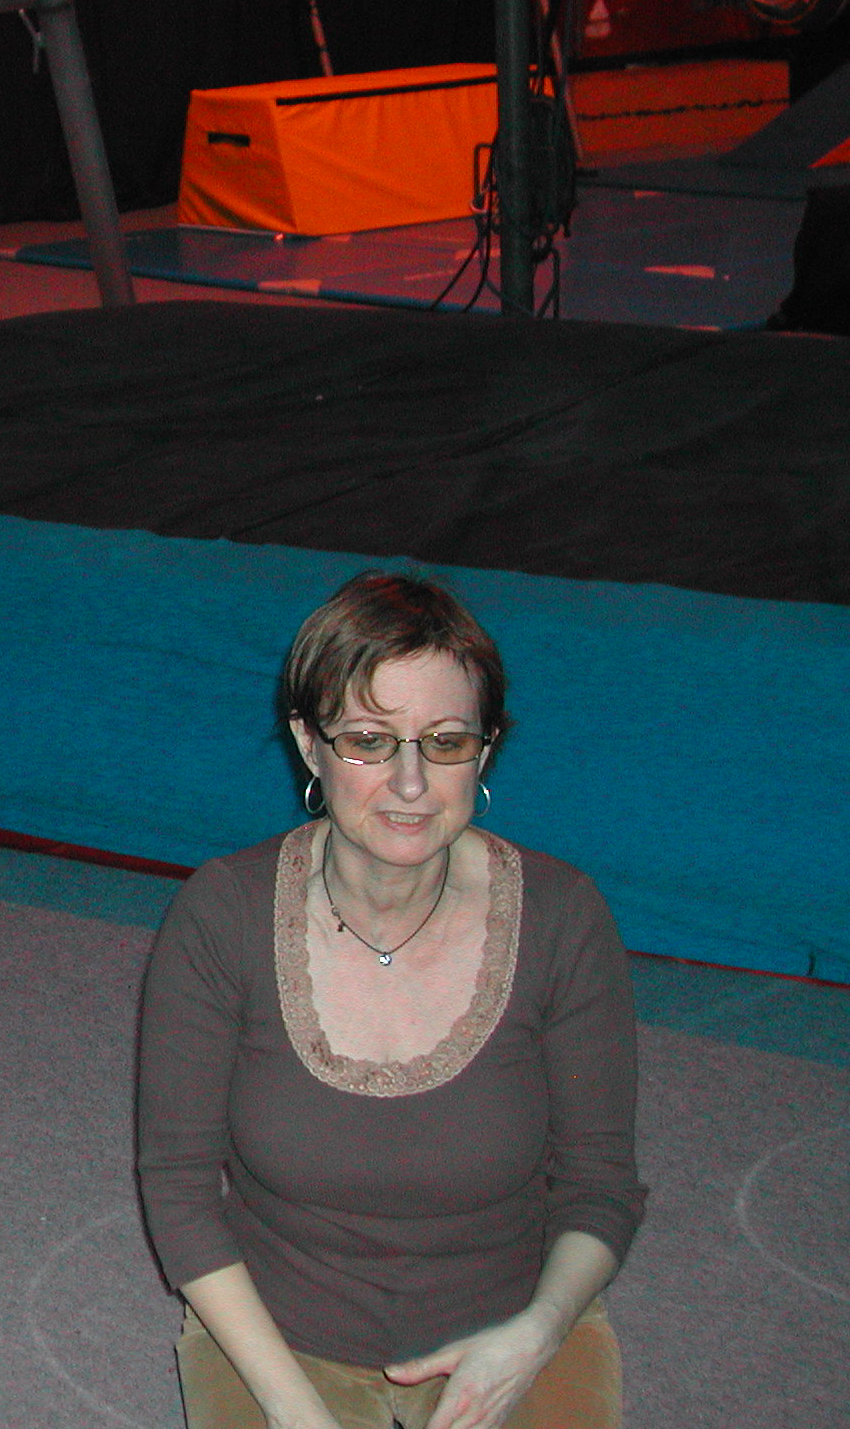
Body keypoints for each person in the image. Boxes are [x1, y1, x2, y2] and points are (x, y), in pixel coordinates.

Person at [136, 572, 644, 1429]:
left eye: (446, 742)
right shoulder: (222, 914)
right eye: (369, 741)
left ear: (485, 751)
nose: (410, 784)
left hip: (507, 1325)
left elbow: (601, 1184)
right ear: (310, 744)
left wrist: (536, 1333)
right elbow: (178, 1189)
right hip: (278, 1333)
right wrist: (295, 1410)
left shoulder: (564, 917)